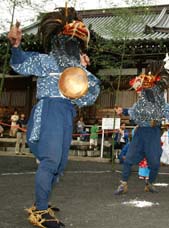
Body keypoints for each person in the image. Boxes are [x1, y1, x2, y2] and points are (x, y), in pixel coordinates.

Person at [8, 7, 100, 228]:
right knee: (50, 161)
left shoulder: (79, 68)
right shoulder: (46, 61)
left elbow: (90, 94)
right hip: (50, 110)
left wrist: (83, 71)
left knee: (58, 164)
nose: (74, 44)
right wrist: (16, 46)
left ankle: (40, 202)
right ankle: (40, 211)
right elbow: (20, 63)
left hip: (65, 113)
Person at [114, 58, 169, 195]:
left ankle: (149, 183)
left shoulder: (161, 103)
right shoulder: (142, 99)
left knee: (155, 162)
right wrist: (123, 111)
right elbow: (133, 110)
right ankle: (123, 184)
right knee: (128, 159)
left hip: (153, 132)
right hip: (140, 132)